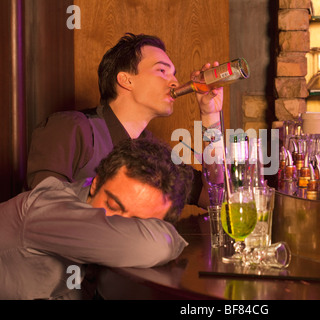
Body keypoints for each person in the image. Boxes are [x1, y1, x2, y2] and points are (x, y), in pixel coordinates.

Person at [26, 33, 223, 209]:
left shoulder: (155, 154)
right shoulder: (70, 128)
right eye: (162, 71)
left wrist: (210, 115)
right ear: (125, 80)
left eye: (174, 74)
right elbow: (42, 211)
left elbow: (215, 197)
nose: (175, 83)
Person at [0, 138, 192, 299]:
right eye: (113, 206)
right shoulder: (47, 209)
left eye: (138, 225)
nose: (118, 225)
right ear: (96, 183)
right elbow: (152, 246)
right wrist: (170, 237)